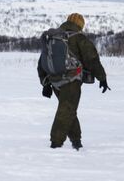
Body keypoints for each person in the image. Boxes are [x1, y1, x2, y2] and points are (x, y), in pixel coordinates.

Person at [37, 13, 109, 150]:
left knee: (69, 110)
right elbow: (92, 59)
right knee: (66, 111)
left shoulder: (53, 37)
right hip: (71, 81)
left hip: (54, 81)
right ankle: (55, 144)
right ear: (80, 24)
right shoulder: (79, 38)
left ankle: (77, 142)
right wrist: (102, 78)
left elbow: (41, 62)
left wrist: (45, 83)